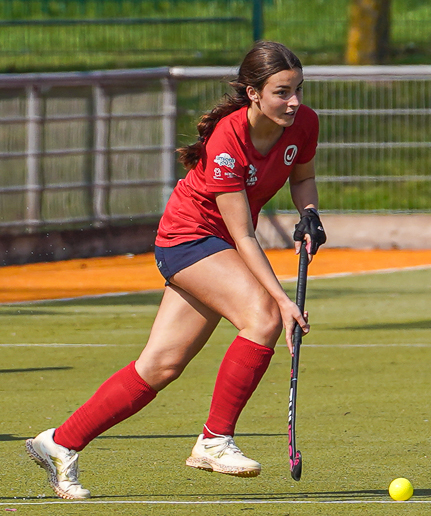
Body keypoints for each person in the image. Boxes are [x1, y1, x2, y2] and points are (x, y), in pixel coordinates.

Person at [25, 41, 327, 500]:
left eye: (298, 89)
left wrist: (310, 214)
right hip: (189, 239)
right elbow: (244, 235)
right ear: (253, 94)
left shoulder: (303, 123)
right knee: (263, 317)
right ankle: (214, 440)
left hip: (220, 244)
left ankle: (60, 443)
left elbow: (302, 176)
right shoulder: (228, 139)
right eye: (283, 92)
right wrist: (283, 299)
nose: (295, 102)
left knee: (160, 366)